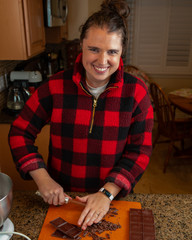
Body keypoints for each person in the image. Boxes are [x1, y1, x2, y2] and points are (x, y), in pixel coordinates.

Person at [8, 0, 153, 231]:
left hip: (112, 197)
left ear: (121, 51)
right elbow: (19, 133)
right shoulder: (55, 86)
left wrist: (107, 193)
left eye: (112, 52)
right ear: (81, 46)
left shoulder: (137, 93)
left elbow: (140, 152)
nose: (102, 61)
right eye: (94, 49)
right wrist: (43, 179)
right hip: (63, 198)